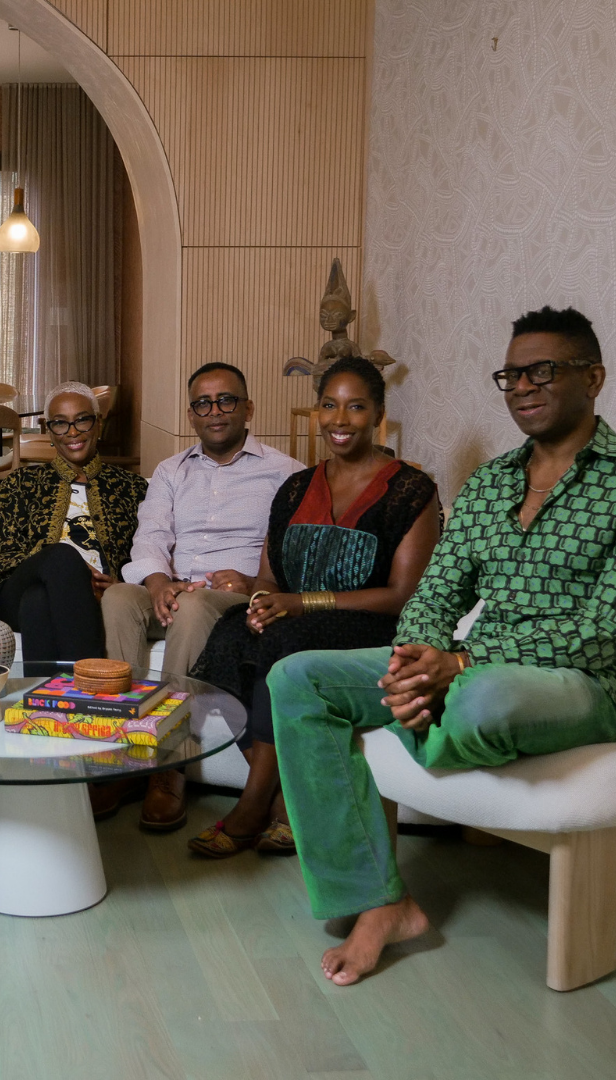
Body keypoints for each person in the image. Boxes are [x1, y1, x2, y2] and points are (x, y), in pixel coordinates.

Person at [270, 306, 616, 986]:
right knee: (297, 677)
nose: (522, 386)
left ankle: (425, 713)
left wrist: (457, 666)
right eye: (511, 374)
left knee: (483, 697)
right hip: (467, 666)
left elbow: (604, 629)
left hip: (581, 681)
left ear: (594, 378)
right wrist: (416, 660)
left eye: (542, 370)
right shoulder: (490, 484)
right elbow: (433, 596)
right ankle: (378, 900)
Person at [188, 356, 440, 856]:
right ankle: (285, 799)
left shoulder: (411, 490)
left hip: (370, 629)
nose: (340, 420)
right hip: (295, 622)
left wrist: (300, 604)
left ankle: (253, 803)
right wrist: (261, 603)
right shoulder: (296, 488)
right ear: (317, 412)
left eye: (355, 407)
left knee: (284, 641)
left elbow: (402, 595)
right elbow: (267, 578)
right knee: (232, 631)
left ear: (377, 415)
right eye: (329, 405)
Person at [97, 363, 305, 831]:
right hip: (172, 589)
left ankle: (169, 766)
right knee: (117, 599)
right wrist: (156, 583)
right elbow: (149, 537)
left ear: (248, 408)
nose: (215, 411)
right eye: (203, 403)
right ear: (191, 415)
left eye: (226, 400)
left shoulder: (285, 473)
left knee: (192, 605)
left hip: (230, 599)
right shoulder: (171, 471)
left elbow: (293, 554)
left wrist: (253, 585)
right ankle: (125, 756)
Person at [0, 382, 147, 662]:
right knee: (62, 558)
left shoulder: (130, 488)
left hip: (92, 596)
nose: (73, 432)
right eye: (60, 424)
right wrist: (70, 575)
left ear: (98, 424)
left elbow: (151, 548)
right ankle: (91, 679)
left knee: (38, 602)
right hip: (16, 593)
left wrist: (121, 585)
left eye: (82, 420)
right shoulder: (22, 483)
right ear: (48, 430)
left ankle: (50, 701)